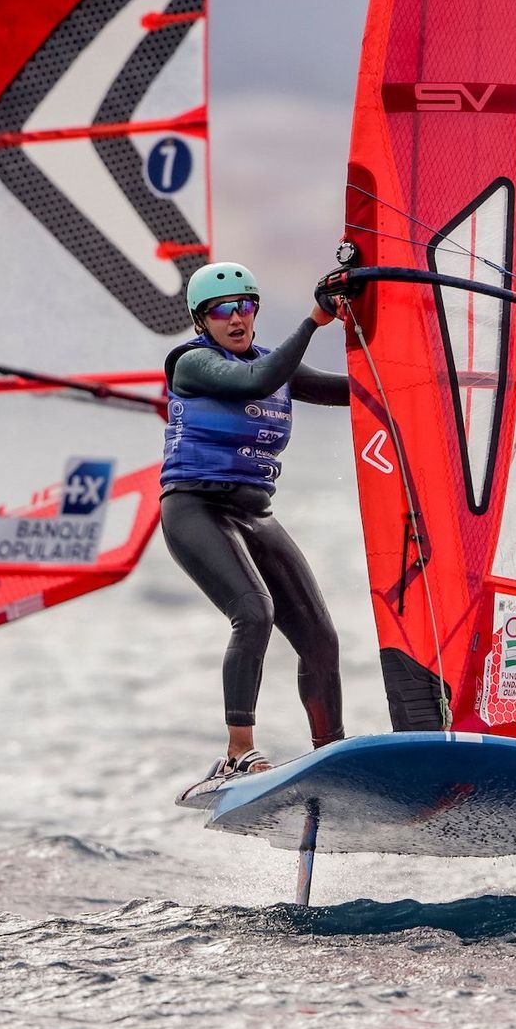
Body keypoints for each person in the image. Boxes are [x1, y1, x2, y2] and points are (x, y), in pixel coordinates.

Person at [162, 261, 350, 800]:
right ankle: (237, 754)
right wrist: (315, 320)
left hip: (254, 513)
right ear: (203, 321)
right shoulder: (193, 363)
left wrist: (425, 376)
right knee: (254, 612)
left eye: (246, 305)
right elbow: (256, 381)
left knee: (319, 636)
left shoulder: (272, 361)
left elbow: (348, 391)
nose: (237, 317)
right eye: (224, 310)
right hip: (194, 510)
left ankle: (329, 753)